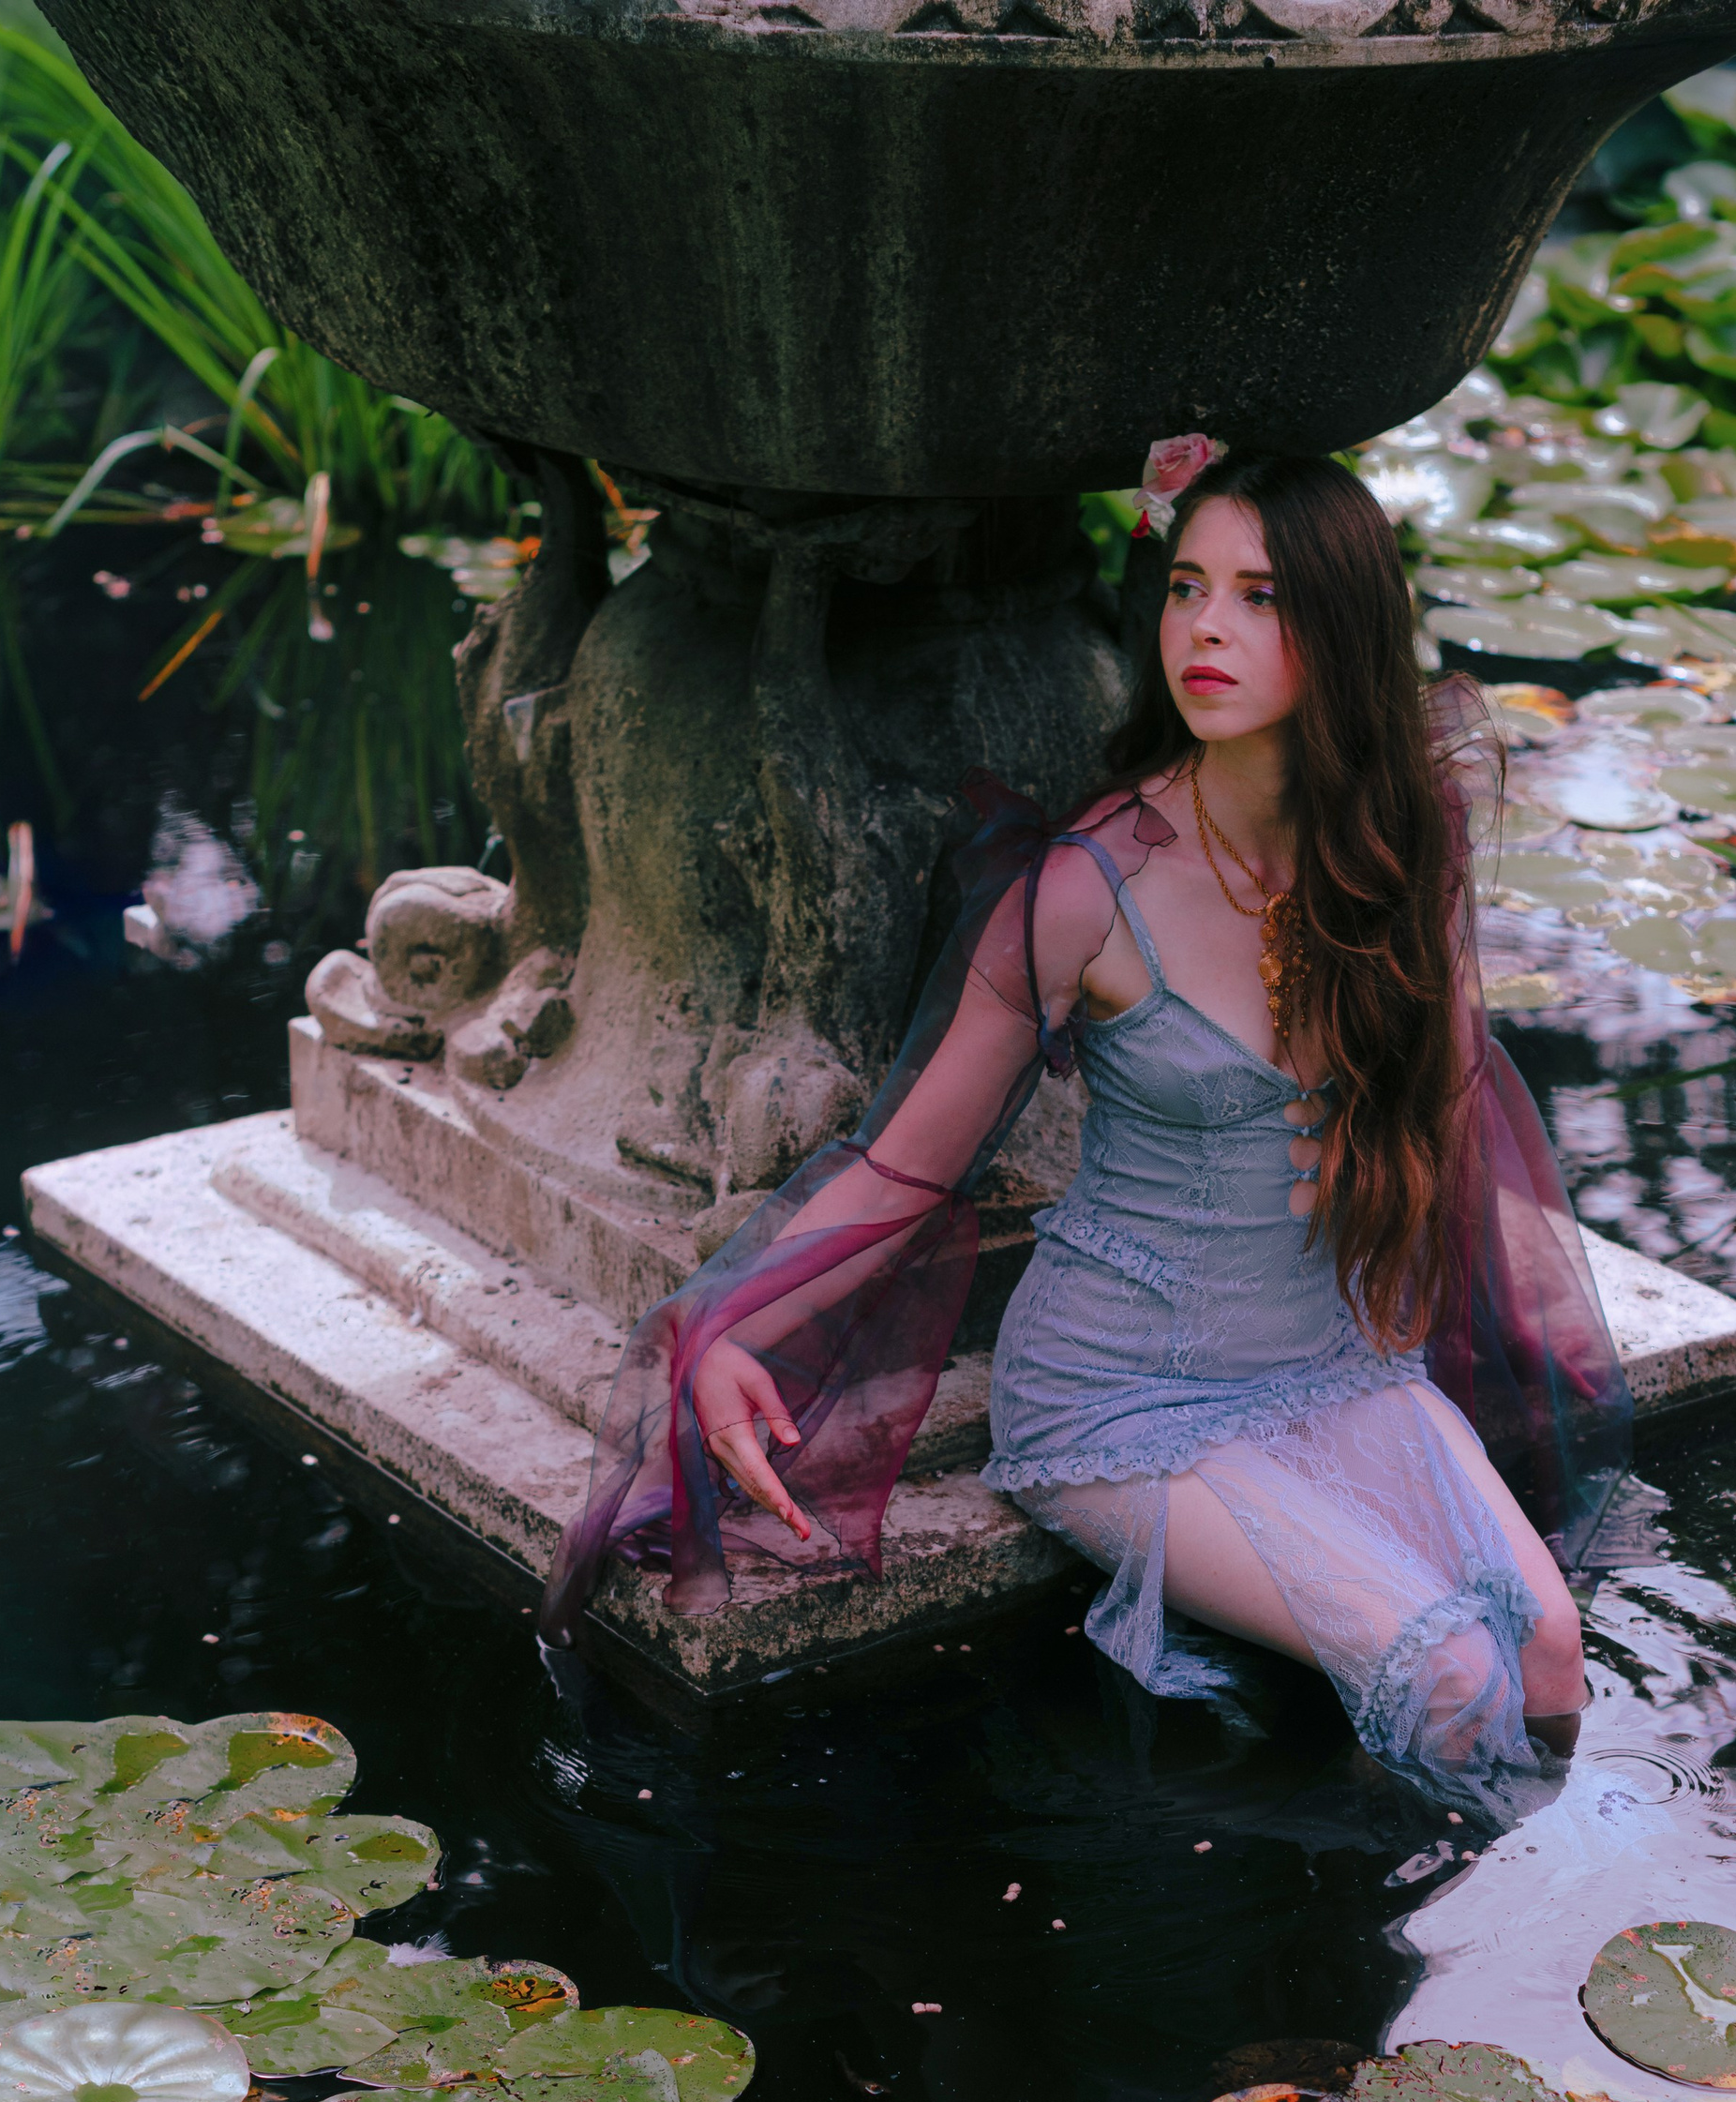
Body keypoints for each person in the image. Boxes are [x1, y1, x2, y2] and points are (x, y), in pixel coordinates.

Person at [543, 444, 1631, 1818]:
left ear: (1346, 633)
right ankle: (1325, 1991)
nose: (1206, 631)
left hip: (1342, 1361)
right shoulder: (1088, 888)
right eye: (1186, 587)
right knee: (1449, 1677)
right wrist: (726, 1330)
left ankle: (1479, 1961)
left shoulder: (1406, 841)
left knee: (1547, 1658)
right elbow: (903, 1161)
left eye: (1259, 596)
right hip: (1132, 1404)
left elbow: (1452, 1100)